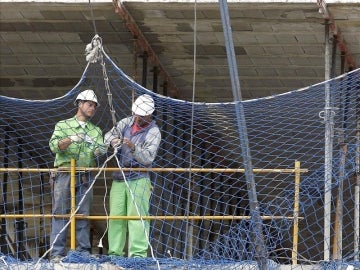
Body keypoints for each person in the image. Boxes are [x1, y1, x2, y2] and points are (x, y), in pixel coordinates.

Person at [49, 89, 107, 262]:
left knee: (83, 213)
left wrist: (100, 149)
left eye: (94, 106)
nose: (92, 108)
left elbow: (98, 151)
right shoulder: (63, 125)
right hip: (65, 173)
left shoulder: (96, 131)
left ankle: (83, 252)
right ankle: (57, 253)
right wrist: (70, 139)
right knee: (60, 212)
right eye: (89, 104)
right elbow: (54, 146)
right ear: (79, 104)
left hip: (85, 175)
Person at [104, 94, 161, 258]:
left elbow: (148, 158)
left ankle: (137, 255)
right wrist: (113, 141)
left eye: (141, 116)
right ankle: (115, 253)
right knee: (116, 217)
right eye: (136, 114)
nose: (137, 118)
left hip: (140, 178)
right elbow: (107, 136)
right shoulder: (125, 122)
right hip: (120, 177)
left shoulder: (153, 132)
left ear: (149, 115)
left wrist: (133, 147)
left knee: (137, 217)